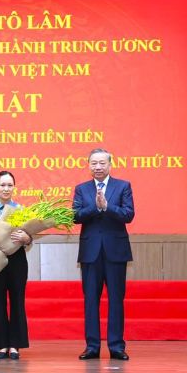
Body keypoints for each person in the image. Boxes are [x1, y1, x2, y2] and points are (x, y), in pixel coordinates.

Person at [73, 148, 134, 361]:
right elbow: (75, 216)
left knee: (116, 299)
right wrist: (96, 208)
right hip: (90, 252)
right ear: (88, 165)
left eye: (102, 163)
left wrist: (107, 207)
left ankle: (116, 346)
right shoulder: (81, 189)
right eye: (94, 163)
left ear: (110, 165)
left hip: (115, 251)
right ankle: (92, 347)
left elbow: (128, 214)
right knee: (91, 300)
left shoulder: (123, 186)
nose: (98, 167)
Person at [0, 171, 32, 360]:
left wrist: (27, 238)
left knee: (17, 301)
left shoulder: (21, 210)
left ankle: (15, 345)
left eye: (10, 185)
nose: (6, 189)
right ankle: (2, 345)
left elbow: (29, 238)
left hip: (17, 260)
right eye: (2, 185)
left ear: (14, 187)